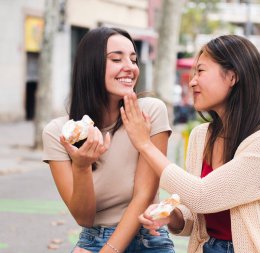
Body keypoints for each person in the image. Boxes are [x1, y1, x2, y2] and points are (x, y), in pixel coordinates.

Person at [120, 34, 260, 253]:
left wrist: (144, 145)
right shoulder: (200, 136)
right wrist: (171, 216)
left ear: (232, 76)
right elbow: (196, 217)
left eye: (201, 71)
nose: (192, 80)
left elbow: (202, 195)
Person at [42, 27, 174, 253]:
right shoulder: (58, 133)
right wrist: (81, 167)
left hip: (148, 240)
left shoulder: (149, 112)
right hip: (94, 240)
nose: (130, 67)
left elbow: (144, 195)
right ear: (91, 66)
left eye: (133, 60)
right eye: (116, 59)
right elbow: (83, 217)